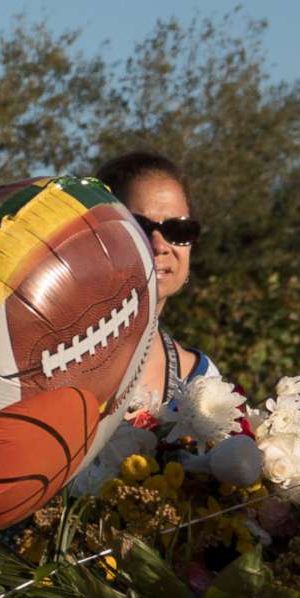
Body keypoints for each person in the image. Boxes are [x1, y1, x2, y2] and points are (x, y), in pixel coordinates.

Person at [100, 150, 231, 416]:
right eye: (137, 225)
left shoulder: (203, 384)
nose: (159, 245)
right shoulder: (43, 358)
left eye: (178, 231)